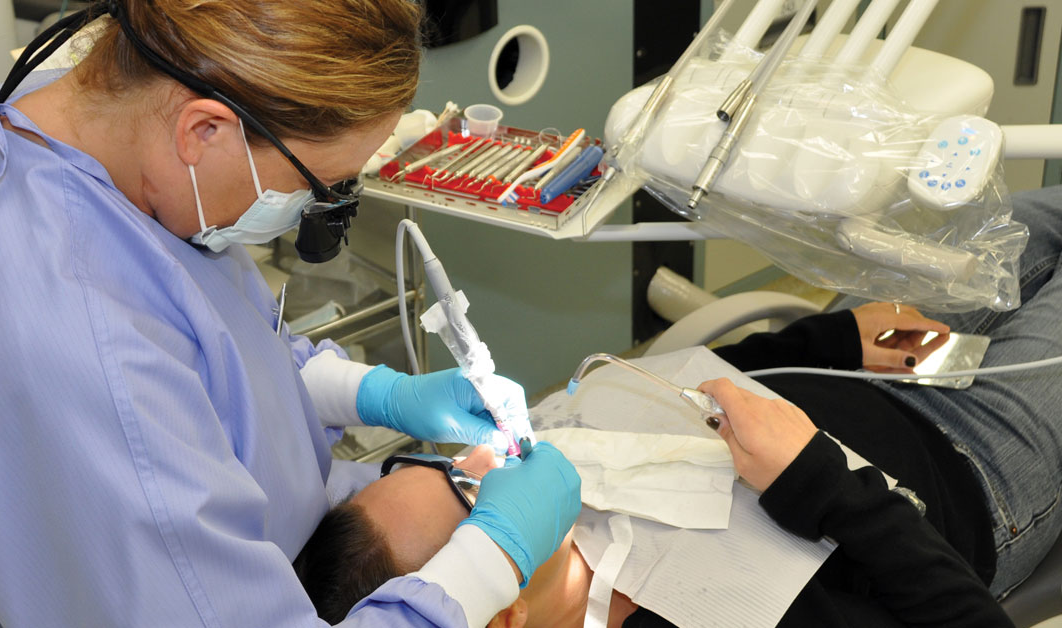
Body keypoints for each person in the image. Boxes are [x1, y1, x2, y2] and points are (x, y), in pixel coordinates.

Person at [0, 1, 581, 626]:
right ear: (203, 131)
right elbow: (136, 386)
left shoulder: (96, 127)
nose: (311, 209)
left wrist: (373, 392)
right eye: (318, 185)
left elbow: (212, 351)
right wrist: (490, 558)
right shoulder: (72, 331)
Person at [292, 186, 1062, 627]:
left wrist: (832, 339)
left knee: (1024, 219)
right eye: (474, 495)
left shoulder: (560, 478)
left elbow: (689, 385)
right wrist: (821, 482)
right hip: (973, 466)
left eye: (447, 461)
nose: (484, 457)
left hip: (861, 359)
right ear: (498, 613)